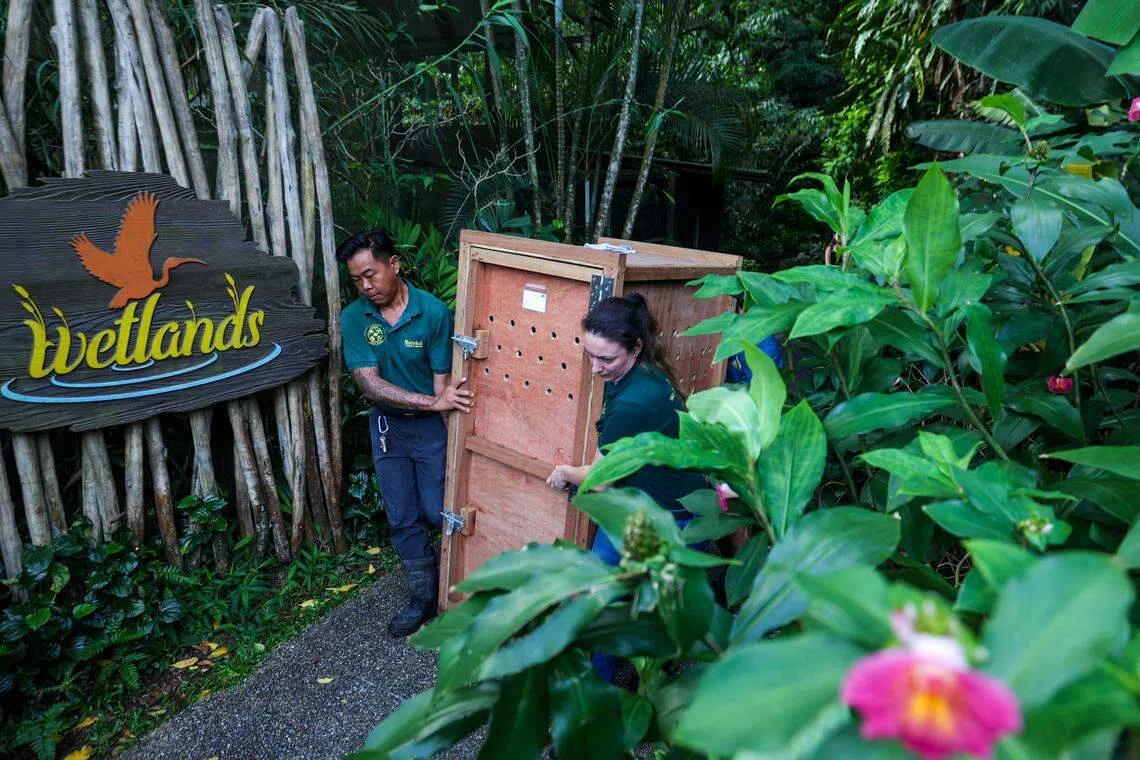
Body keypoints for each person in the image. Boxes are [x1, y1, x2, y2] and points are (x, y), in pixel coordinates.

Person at [337, 229, 472, 637]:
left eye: (371, 275)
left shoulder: (432, 313)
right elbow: (369, 383)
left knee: (437, 510)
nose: (365, 286)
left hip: (430, 430)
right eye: (357, 279)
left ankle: (458, 590)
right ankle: (422, 600)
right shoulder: (354, 317)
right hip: (387, 428)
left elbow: (441, 385)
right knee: (402, 516)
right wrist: (433, 403)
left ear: (394, 264)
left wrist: (449, 427)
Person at [545, 294, 707, 565]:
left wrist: (565, 472)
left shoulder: (635, 403)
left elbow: (600, 480)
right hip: (656, 501)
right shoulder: (637, 372)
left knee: (612, 591)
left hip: (670, 519)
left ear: (635, 349)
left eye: (606, 359)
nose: (596, 368)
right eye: (590, 355)